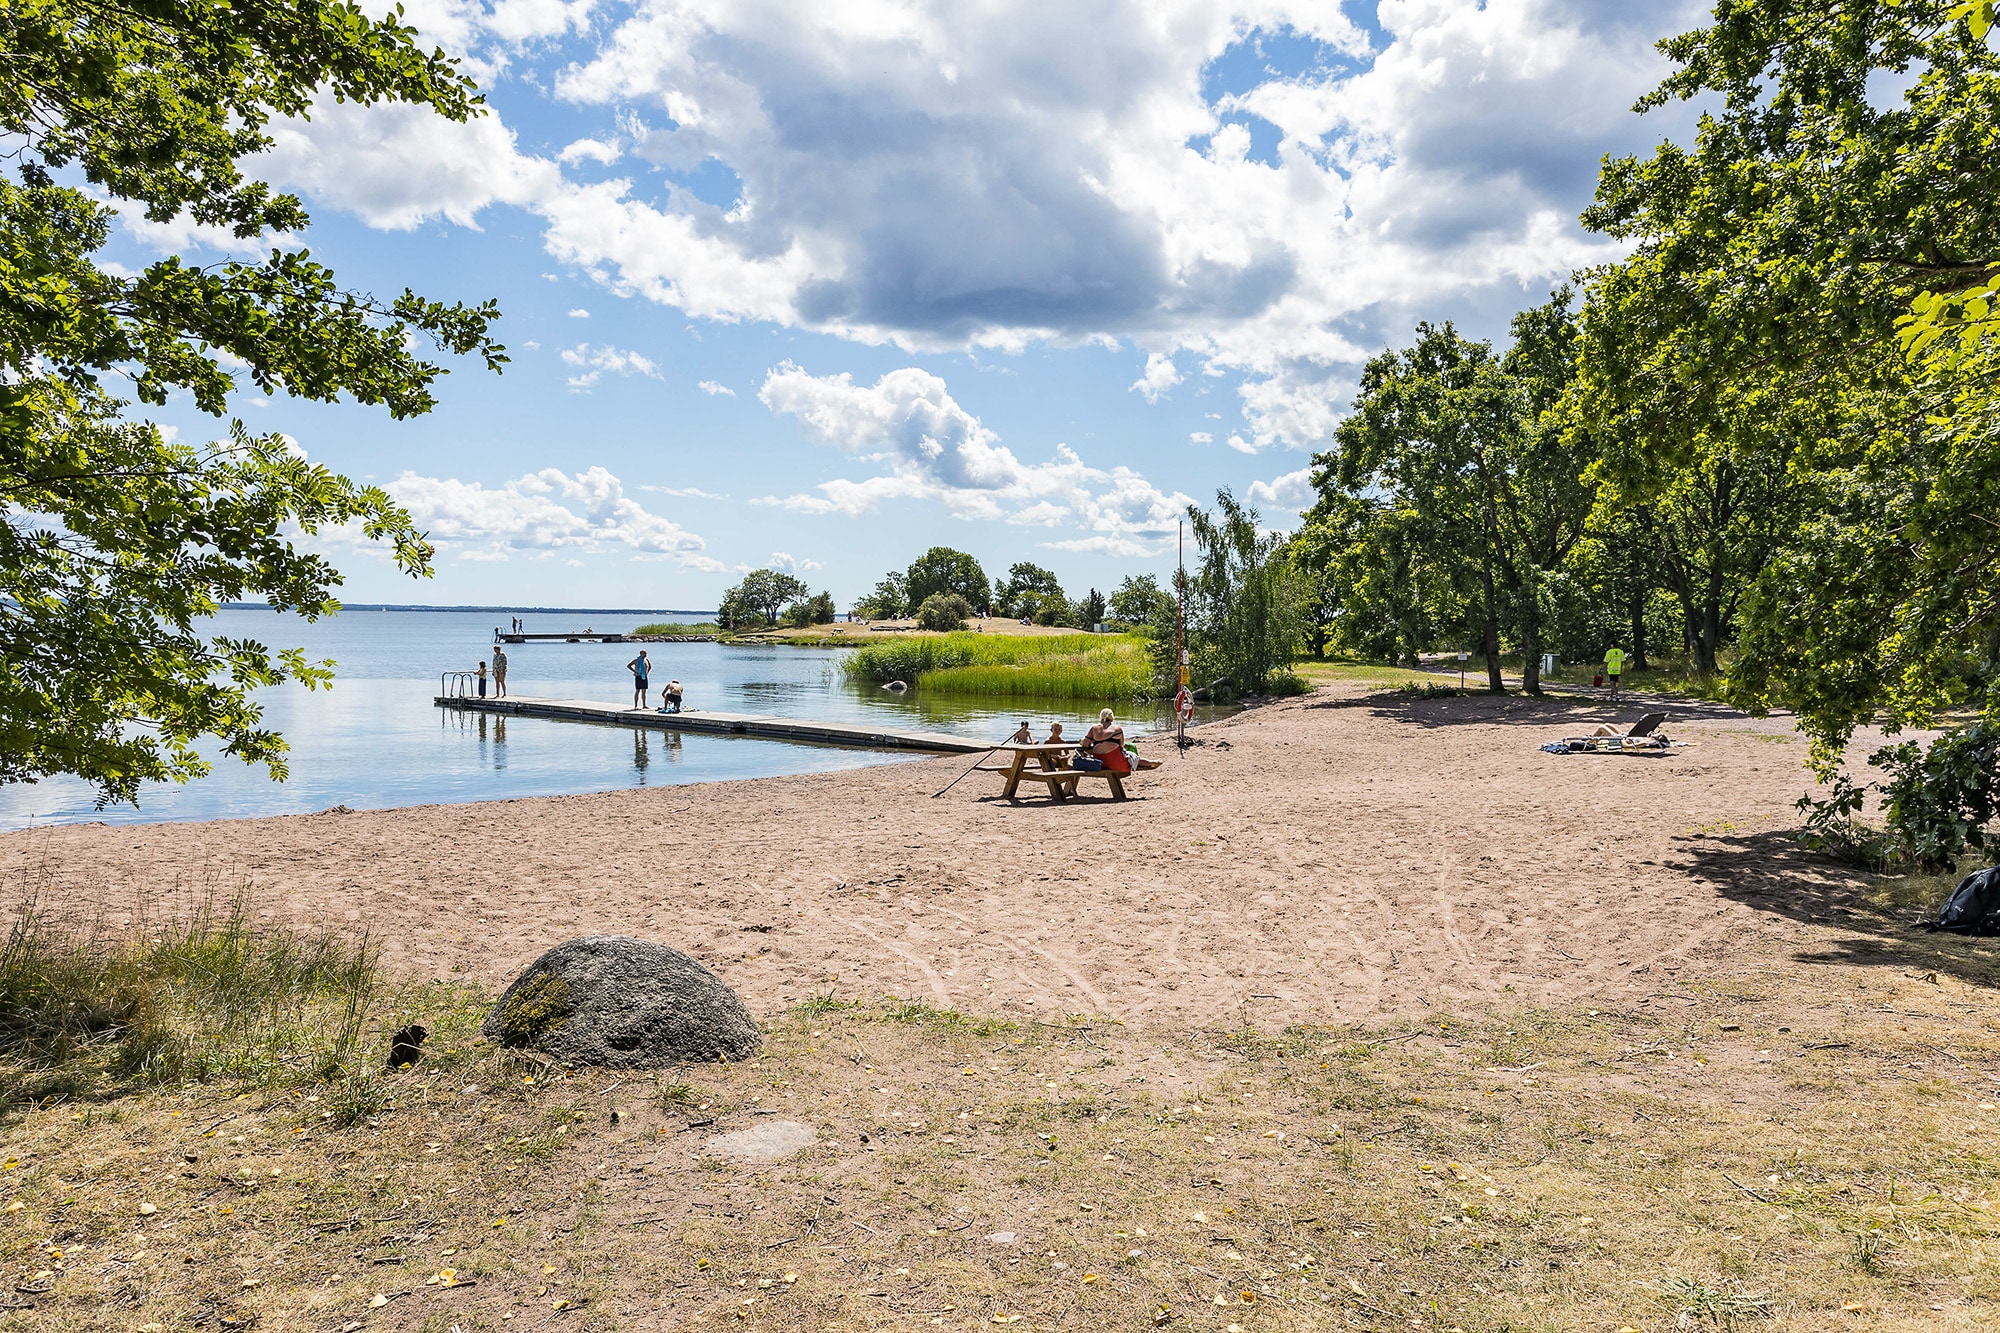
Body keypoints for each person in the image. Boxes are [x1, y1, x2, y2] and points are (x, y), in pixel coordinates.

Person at [1077, 708, 1129, 773]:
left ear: (1101, 716)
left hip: (1099, 763)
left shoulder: (1094, 728)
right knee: (1135, 759)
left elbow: (1085, 744)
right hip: (1116, 764)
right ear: (1112, 717)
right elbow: (1121, 746)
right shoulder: (1117, 729)